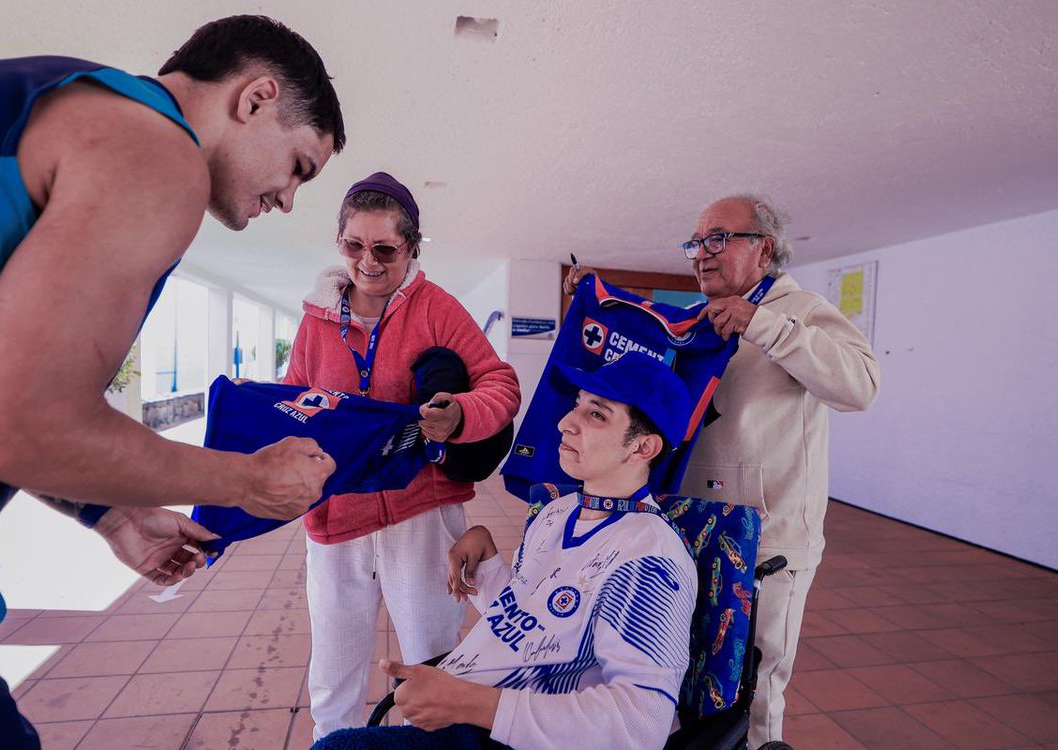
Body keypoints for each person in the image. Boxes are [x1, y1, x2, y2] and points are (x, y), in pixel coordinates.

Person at [0, 15, 345, 748]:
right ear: (256, 98)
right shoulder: (154, 151)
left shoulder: (25, 102)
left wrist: (111, 512)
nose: (286, 198)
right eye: (300, 167)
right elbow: (13, 425)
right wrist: (246, 481)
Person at [565, 194, 879, 748]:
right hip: (684, 532)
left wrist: (765, 325)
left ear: (764, 248)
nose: (700, 255)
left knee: (754, 690)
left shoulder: (799, 310)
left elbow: (860, 386)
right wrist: (600, 309)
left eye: (717, 239)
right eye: (695, 243)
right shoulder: (696, 320)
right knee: (681, 676)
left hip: (764, 543)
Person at [315, 352, 698, 750]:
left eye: (597, 415)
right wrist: (487, 567)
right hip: (481, 704)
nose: (566, 423)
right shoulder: (558, 512)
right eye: (576, 406)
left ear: (643, 448)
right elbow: (541, 623)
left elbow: (640, 725)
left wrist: (470, 704)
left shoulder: (650, 560)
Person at [279, 172, 521, 741]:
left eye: (386, 248)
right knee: (333, 678)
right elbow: (293, 401)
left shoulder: (436, 308)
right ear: (340, 244)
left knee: (432, 664)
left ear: (411, 248)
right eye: (354, 246)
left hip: (420, 513)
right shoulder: (316, 320)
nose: (369, 261)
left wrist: (460, 413)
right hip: (336, 522)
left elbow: (500, 384)